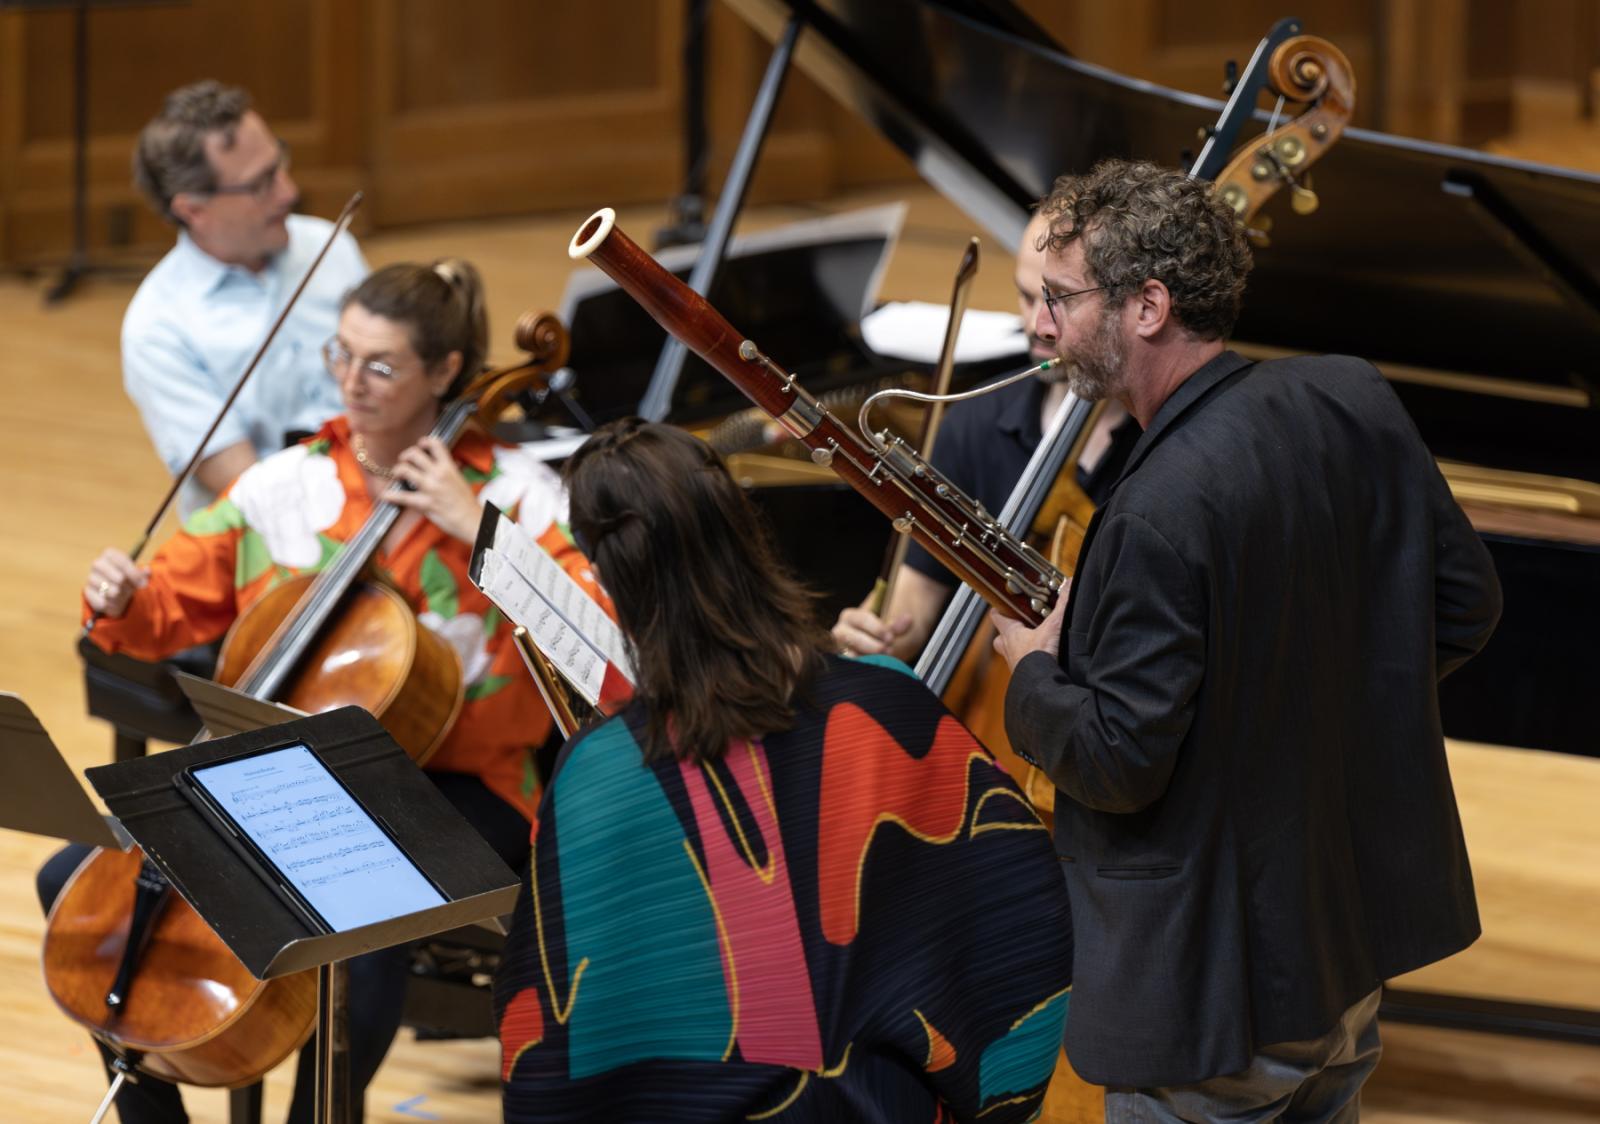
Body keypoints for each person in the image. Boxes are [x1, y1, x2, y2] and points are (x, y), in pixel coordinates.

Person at [989, 159, 1503, 1121]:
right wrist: (1295, 711)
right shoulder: (1351, 396)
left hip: (1215, 1002)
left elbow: (1116, 762)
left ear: (1149, 304)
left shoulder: (1151, 511)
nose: (1038, 324)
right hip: (1343, 958)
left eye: (1060, 299)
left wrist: (1035, 671)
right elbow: (1465, 604)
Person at [47, 259, 597, 1124]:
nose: (350, 382)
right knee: (67, 887)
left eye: (379, 366)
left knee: (357, 939)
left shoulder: (515, 496)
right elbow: (163, 605)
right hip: (282, 782)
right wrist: (121, 595)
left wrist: (472, 526)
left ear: (447, 373)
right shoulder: (287, 483)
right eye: (340, 356)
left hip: (454, 788)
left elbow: (598, 638)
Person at [493, 420, 1074, 1123]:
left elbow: (544, 1034)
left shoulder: (600, 770)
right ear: (746, 532)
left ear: (612, 581)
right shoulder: (889, 701)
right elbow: (1021, 920)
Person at [832, 208, 1138, 663]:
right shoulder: (972, 421)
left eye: (1057, 302)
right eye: (1025, 296)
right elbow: (916, 599)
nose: (1036, 325)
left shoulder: (1161, 436)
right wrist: (878, 635)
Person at [126, 80, 368, 515]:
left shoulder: (330, 246)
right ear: (192, 210)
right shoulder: (158, 329)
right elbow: (252, 491)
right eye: (260, 184)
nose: (288, 191)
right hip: (275, 544)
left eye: (279, 164)